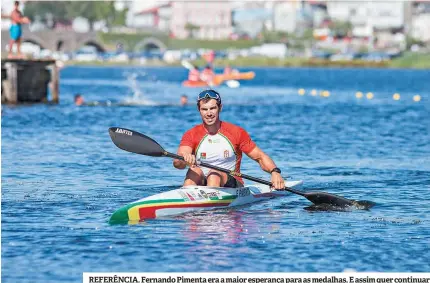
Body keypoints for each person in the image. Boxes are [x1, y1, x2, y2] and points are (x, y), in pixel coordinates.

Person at [173, 89, 285, 190]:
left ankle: (212, 210)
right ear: (199, 110)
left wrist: (275, 172)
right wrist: (183, 159)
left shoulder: (236, 132)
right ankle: (187, 207)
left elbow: (260, 157)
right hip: (203, 182)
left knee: (214, 174)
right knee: (193, 172)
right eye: (204, 109)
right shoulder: (191, 134)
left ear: (220, 108)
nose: (209, 113)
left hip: (232, 185)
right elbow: (178, 163)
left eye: (212, 108)